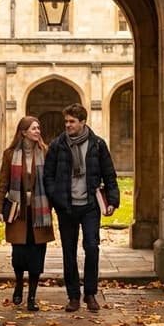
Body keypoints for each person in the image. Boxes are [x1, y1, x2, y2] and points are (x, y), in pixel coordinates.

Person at [43, 103, 119, 313]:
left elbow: (109, 174)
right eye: (66, 121)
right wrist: (55, 196)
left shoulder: (97, 144)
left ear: (83, 122)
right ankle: (73, 296)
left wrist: (112, 200)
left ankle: (90, 294)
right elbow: (48, 175)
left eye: (72, 121)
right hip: (66, 206)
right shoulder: (57, 145)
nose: (68, 125)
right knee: (69, 252)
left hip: (90, 206)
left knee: (92, 247)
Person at [0, 116, 54, 311]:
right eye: (34, 128)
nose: (38, 131)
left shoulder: (46, 152)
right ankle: (19, 284)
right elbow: (3, 182)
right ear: (23, 132)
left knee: (37, 253)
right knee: (19, 254)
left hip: (39, 209)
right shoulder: (10, 154)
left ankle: (32, 297)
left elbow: (51, 182)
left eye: (39, 128)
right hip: (17, 209)